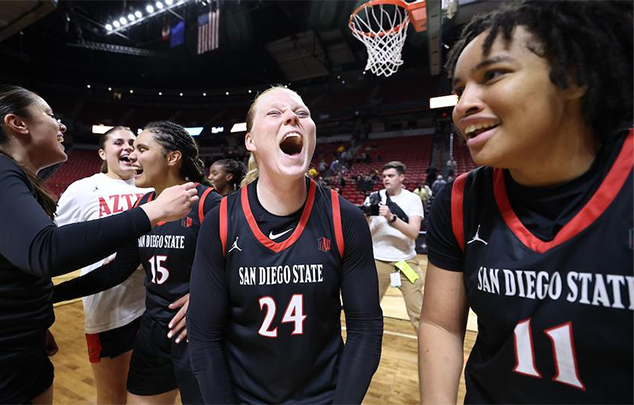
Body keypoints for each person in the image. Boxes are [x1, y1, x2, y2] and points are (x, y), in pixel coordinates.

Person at [0, 85, 198, 405]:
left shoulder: (6, 175)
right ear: (17, 124)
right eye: (50, 115)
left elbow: (11, 263)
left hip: (14, 352)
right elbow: (45, 250)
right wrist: (150, 213)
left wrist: (33, 321)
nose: (62, 125)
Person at [419, 2, 633, 404]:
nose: (463, 105)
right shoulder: (460, 200)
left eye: (493, 75)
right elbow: (441, 325)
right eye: (460, 90)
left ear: (573, 76)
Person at [188, 86, 383, 404]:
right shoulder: (220, 221)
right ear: (250, 141)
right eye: (275, 113)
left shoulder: (344, 218)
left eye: (302, 113)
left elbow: (366, 329)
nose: (292, 116)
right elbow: (204, 337)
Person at [54, 121, 221, 405]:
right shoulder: (143, 207)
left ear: (172, 157)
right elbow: (116, 271)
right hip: (153, 333)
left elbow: (242, 266)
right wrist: (50, 295)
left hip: (199, 332)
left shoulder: (209, 203)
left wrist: (206, 295)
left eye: (141, 148)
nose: (132, 155)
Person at [54, 126, 152, 405]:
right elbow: (56, 243)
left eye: (134, 143)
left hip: (156, 307)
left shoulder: (155, 187)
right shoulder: (83, 189)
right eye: (118, 142)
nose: (128, 148)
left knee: (148, 395)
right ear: (102, 152)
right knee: (112, 396)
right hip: (109, 310)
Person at [363, 161, 424, 332]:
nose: (386, 179)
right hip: (377, 261)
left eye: (390, 176)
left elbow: (414, 233)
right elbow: (364, 231)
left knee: (417, 311)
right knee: (368, 308)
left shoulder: (413, 199)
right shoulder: (373, 197)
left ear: (402, 177)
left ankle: (431, 352)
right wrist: (365, 216)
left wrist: (391, 218)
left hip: (406, 262)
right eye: (384, 176)